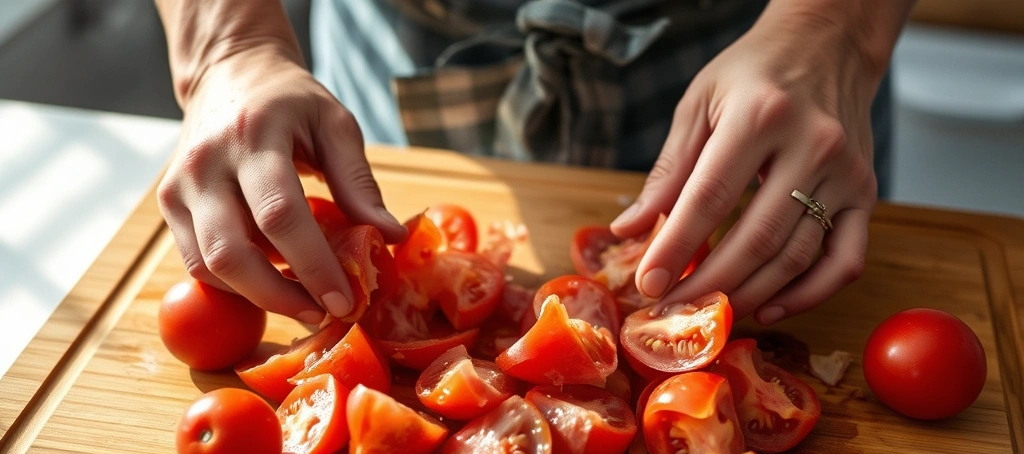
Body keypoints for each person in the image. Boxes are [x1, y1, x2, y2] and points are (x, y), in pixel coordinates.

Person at [154, 0, 915, 328]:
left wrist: (835, 30)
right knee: (374, 242)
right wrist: (229, 45)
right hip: (409, 55)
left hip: (765, 63)